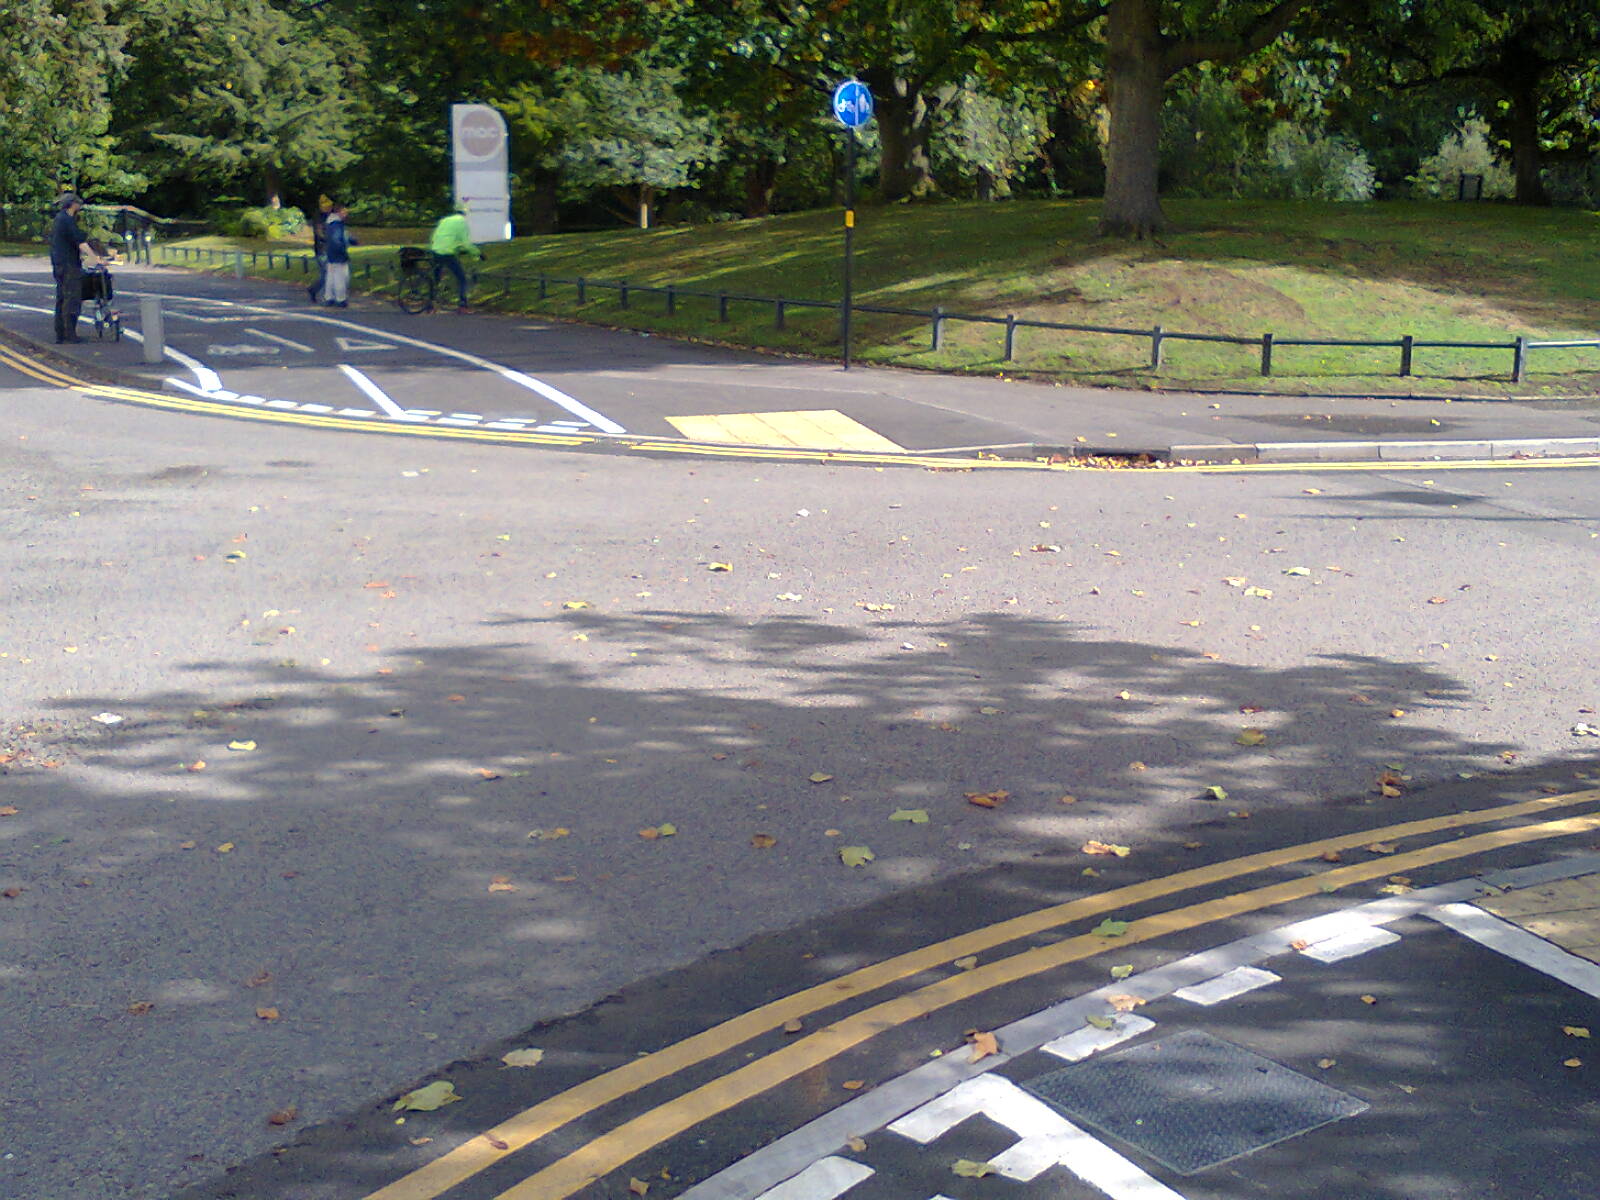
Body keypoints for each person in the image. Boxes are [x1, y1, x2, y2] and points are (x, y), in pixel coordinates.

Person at [49, 194, 105, 344]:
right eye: (77, 204)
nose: (79, 207)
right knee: (72, 298)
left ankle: (60, 333)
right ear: (72, 204)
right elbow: (80, 242)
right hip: (68, 265)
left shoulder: (60, 219)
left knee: (62, 297)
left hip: (59, 263)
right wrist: (95, 257)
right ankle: (70, 334)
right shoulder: (66, 220)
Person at [429, 202, 481, 313]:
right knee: (462, 278)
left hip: (435, 250)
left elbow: (438, 237)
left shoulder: (445, 220)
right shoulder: (463, 222)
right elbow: (466, 243)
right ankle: (463, 305)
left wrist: (458, 249)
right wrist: (477, 253)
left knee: (436, 279)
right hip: (447, 253)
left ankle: (431, 305)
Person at [322, 204, 356, 307]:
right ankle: (340, 298)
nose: (346, 214)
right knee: (341, 277)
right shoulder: (337, 225)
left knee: (331, 277)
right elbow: (337, 240)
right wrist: (343, 252)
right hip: (338, 254)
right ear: (338, 212)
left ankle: (329, 297)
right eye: (344, 212)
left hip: (330, 254)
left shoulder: (330, 224)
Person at [307, 195, 333, 303]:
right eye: (328, 207)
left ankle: (314, 290)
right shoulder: (319, 217)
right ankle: (323, 296)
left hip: (330, 249)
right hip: (322, 249)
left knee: (327, 274)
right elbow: (319, 232)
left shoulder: (330, 216)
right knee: (327, 273)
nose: (330, 208)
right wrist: (328, 239)